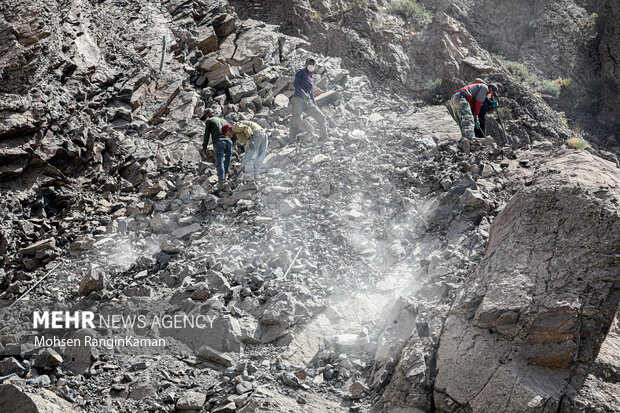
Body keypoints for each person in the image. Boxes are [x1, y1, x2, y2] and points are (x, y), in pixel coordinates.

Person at [289, 58, 327, 142]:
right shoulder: (301, 72)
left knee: (321, 116)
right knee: (296, 120)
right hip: (298, 99)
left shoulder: (311, 76)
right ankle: (292, 141)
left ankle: (323, 137)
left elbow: (311, 91)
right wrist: (303, 93)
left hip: (307, 102)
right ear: (306, 64)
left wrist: (314, 102)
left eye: (312, 64)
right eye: (309, 63)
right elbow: (296, 84)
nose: (311, 65)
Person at [222, 120, 268, 185]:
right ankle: (255, 180)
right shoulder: (237, 134)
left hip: (255, 135)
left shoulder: (234, 127)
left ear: (228, 130)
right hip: (263, 135)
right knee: (259, 159)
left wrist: (251, 139)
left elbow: (246, 128)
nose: (228, 136)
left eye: (226, 134)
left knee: (249, 159)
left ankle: (251, 181)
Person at [202, 108, 231, 184]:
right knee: (227, 159)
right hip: (228, 141)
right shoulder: (224, 120)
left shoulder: (209, 120)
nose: (205, 119)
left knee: (219, 161)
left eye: (205, 116)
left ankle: (221, 181)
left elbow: (206, 135)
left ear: (209, 114)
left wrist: (204, 148)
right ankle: (224, 177)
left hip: (219, 142)